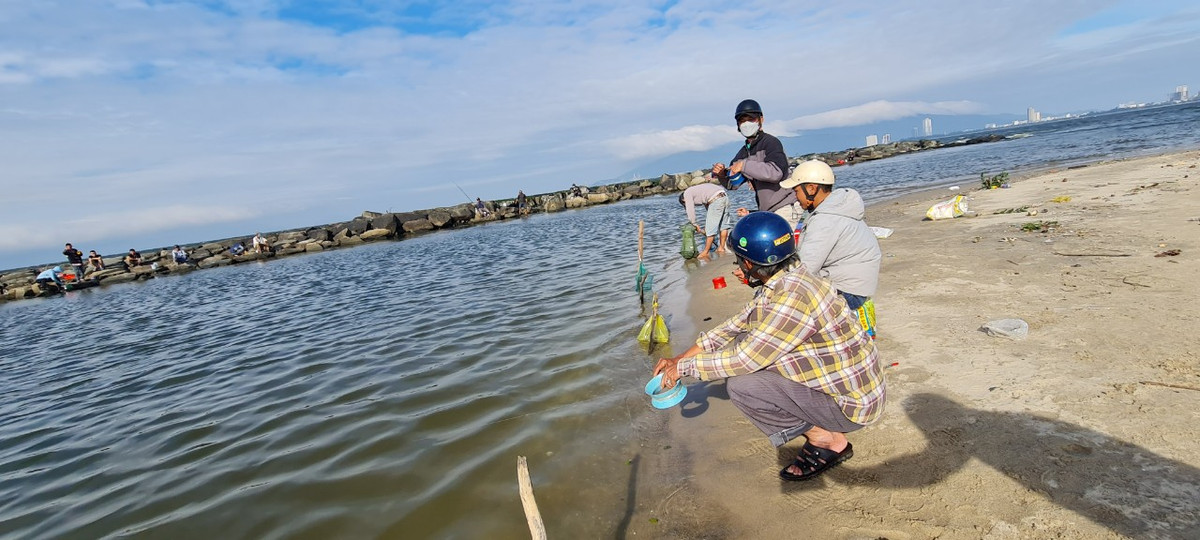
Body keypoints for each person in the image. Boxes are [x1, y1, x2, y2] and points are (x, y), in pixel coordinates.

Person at [653, 212, 884, 482]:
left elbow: (743, 360)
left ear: (749, 263)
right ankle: (825, 430)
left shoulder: (791, 299)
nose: (738, 267)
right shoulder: (789, 278)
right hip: (855, 389)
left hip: (853, 406)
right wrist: (679, 358)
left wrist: (683, 369)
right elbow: (736, 324)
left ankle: (826, 440)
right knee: (746, 346)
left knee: (743, 386)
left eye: (739, 261)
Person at [780, 159, 881, 336]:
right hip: (858, 286)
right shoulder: (837, 208)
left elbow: (806, 268)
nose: (795, 197)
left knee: (788, 313)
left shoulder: (825, 220)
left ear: (811, 189)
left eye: (796, 191)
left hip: (848, 291)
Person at [710, 99, 801, 228]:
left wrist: (744, 165)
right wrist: (721, 174)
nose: (746, 124)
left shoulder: (771, 142)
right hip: (768, 212)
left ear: (761, 120)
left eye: (751, 119)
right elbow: (732, 184)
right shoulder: (744, 152)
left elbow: (776, 173)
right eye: (742, 121)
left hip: (786, 206)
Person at [678, 183, 732, 259]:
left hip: (715, 200)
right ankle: (721, 247)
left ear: (683, 200)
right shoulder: (697, 191)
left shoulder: (687, 193)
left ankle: (705, 252)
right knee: (723, 226)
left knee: (710, 230)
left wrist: (693, 223)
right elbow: (708, 205)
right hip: (724, 197)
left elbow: (690, 209)